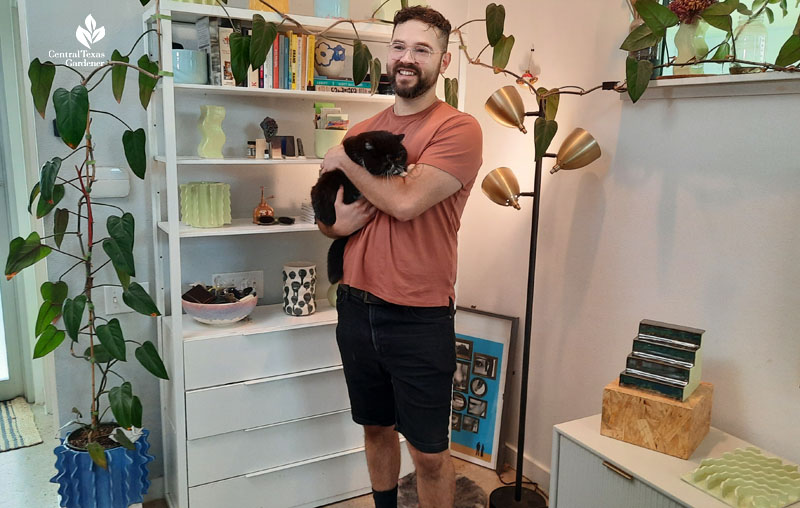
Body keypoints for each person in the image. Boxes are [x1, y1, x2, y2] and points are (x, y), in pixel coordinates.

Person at [316, 6, 483, 508]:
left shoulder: (458, 128)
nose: (407, 59)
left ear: (444, 61)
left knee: (429, 452)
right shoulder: (366, 126)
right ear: (388, 54)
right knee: (375, 430)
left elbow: (407, 203)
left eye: (422, 49)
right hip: (355, 307)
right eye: (399, 46)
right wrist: (333, 225)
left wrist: (344, 158)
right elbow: (329, 215)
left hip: (418, 315)